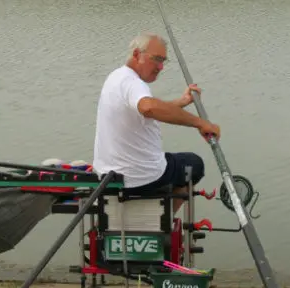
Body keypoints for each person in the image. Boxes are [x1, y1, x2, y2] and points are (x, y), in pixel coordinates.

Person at [92, 31, 221, 212]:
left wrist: (181, 103)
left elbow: (145, 110)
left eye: (163, 61)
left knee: (174, 160)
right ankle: (166, 222)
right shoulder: (133, 83)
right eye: (157, 59)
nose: (161, 67)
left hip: (108, 175)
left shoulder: (116, 77)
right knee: (194, 164)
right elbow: (149, 108)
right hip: (139, 177)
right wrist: (200, 123)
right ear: (137, 54)